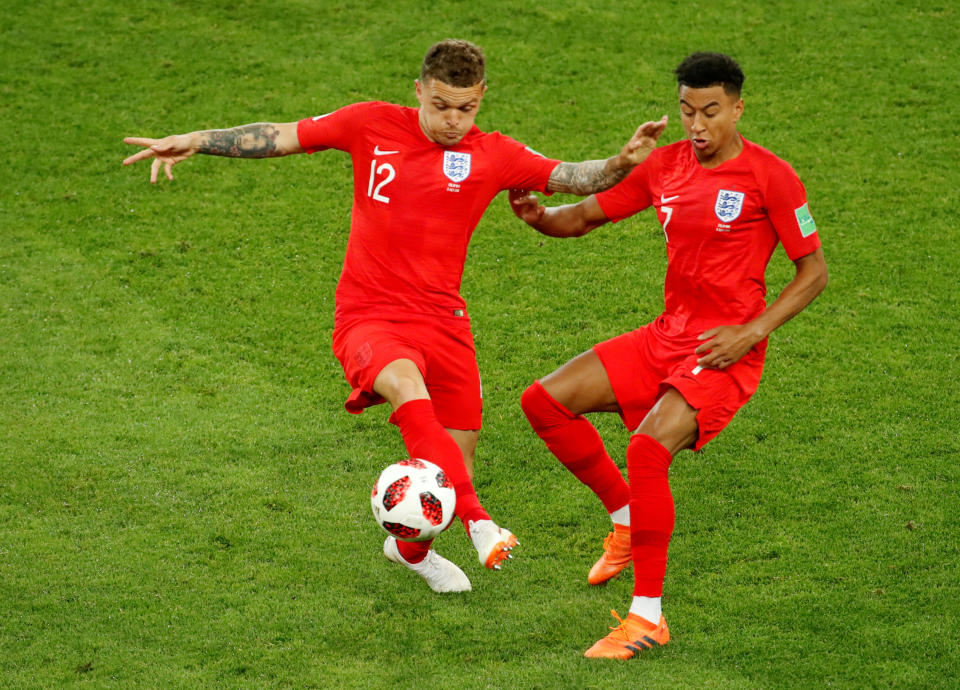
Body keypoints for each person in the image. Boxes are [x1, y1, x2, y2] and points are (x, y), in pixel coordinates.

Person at [123, 39, 668, 594]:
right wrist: (195, 140)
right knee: (408, 389)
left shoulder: (494, 154)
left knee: (450, 474)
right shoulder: (371, 124)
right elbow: (280, 135)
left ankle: (408, 552)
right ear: (419, 92)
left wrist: (622, 162)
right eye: (440, 105)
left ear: (481, 97)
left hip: (444, 321)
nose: (453, 120)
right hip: (369, 314)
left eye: (465, 108)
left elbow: (573, 176)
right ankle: (482, 525)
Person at [510, 52, 828, 657]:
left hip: (723, 348)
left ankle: (647, 618)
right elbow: (579, 220)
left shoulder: (771, 177)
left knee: (648, 449)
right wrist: (538, 217)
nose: (697, 125)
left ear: (738, 108)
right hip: (667, 334)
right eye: (687, 111)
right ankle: (627, 520)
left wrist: (752, 332)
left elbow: (813, 272)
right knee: (543, 402)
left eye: (710, 111)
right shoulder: (666, 166)